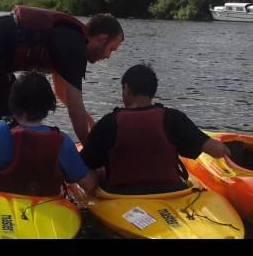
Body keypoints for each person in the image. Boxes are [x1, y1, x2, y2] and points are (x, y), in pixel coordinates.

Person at [0, 5, 124, 144]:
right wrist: (92, 155)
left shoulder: (70, 43)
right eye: (112, 50)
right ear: (101, 39)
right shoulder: (74, 45)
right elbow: (75, 111)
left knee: (16, 130)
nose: (108, 56)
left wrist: (88, 121)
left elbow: (63, 95)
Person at [79, 64, 231, 195]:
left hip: (120, 194)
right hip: (171, 192)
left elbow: (83, 164)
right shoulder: (174, 118)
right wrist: (226, 148)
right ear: (153, 92)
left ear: (127, 89)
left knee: (96, 170)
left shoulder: (109, 122)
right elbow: (217, 151)